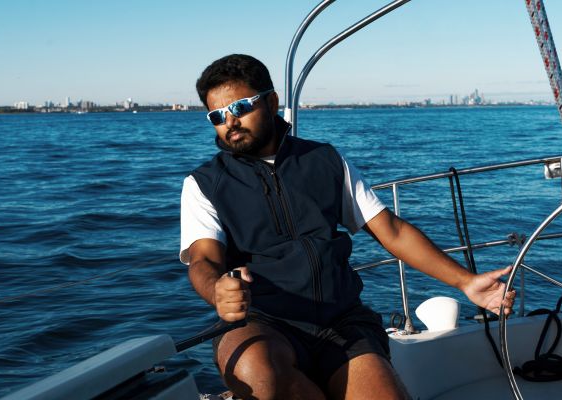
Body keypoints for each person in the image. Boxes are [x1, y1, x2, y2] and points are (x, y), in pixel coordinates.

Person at [181, 54, 516, 400]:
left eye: (239, 107)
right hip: (263, 320)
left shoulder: (324, 160)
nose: (230, 122)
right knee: (254, 372)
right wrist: (216, 290)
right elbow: (203, 260)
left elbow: (392, 231)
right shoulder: (204, 183)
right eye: (217, 116)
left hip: (340, 319)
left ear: (272, 101)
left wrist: (467, 281)